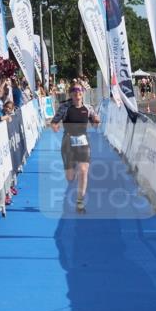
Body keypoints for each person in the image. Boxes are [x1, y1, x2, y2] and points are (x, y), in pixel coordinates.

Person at [50, 83, 101, 213]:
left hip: (83, 142)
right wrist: (55, 126)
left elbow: (95, 125)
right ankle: (72, 170)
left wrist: (96, 121)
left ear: (82, 93)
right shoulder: (65, 107)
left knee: (84, 170)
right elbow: (54, 122)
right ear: (71, 94)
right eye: (74, 91)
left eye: (80, 91)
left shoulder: (88, 108)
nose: (77, 93)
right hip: (68, 142)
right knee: (70, 177)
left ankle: (80, 202)